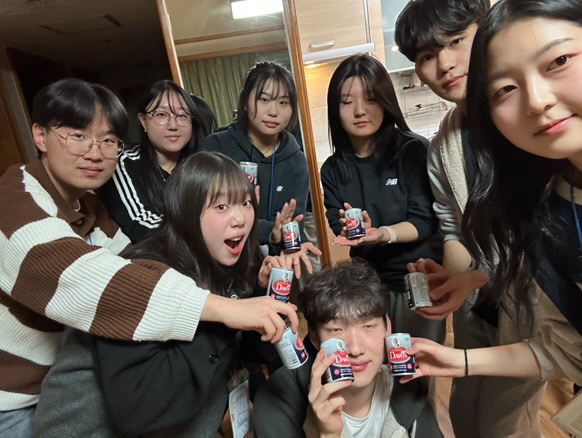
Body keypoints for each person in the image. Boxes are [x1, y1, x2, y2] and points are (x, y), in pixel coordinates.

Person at [0, 78, 297, 437]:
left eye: (109, 140)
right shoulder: (13, 205)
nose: (95, 152)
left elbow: (131, 256)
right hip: (12, 399)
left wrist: (253, 286)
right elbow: (104, 278)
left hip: (61, 381)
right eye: (78, 136)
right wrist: (224, 309)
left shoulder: (89, 206)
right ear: (40, 135)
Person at [33, 151, 306, 437]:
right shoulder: (140, 275)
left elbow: (247, 352)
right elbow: (138, 410)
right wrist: (226, 316)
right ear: (186, 212)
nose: (240, 218)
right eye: (221, 206)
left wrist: (264, 292)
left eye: (246, 203)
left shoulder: (227, 263)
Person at [402, 0, 582, 433]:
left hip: (531, 310)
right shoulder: (446, 144)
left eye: (456, 41)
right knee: (466, 416)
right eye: (426, 56)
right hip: (486, 310)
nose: (445, 64)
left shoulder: (540, 138)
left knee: (505, 424)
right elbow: (456, 229)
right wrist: (458, 281)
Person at [320, 54, 443, 343]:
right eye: (347, 102)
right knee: (375, 361)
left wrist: (383, 234)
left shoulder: (412, 150)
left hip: (418, 276)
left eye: (371, 99)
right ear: (335, 109)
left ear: (386, 101)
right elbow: (337, 223)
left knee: (418, 359)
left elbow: (424, 220)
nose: (360, 111)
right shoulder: (333, 169)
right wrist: (351, 230)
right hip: (368, 286)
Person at [254, 259, 443, 437]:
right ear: (314, 337)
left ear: (388, 328)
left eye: (368, 326)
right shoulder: (278, 401)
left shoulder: (410, 388)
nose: (355, 349)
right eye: (336, 330)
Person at [201, 61, 311, 256]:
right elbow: (206, 214)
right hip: (223, 260)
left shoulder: (297, 161)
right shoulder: (216, 148)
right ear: (245, 102)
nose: (273, 112)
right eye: (264, 99)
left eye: (283, 102)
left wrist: (288, 239)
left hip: (277, 262)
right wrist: (269, 231)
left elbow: (293, 225)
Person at [97, 79, 202, 243]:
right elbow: (142, 226)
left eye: (182, 115)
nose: (173, 125)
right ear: (143, 120)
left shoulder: (202, 165)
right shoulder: (124, 164)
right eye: (161, 115)